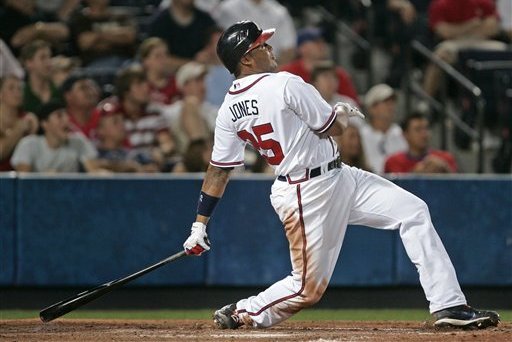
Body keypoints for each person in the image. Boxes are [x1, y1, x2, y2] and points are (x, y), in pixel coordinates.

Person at [181, 20, 500, 331]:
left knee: (413, 212)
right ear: (246, 58)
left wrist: (200, 224)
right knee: (307, 289)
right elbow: (332, 128)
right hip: (307, 191)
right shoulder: (285, 83)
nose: (270, 47)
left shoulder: (227, 108)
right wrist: (341, 113)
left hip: (338, 177)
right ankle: (243, 310)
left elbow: (219, 170)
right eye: (261, 44)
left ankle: (448, 304)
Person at [423, 0, 507, 98]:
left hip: (481, 41)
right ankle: (425, 101)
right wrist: (470, 25)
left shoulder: (483, 2)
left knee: (505, 50)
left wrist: (459, 30)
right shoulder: (441, 4)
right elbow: (444, 32)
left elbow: (493, 28)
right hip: (454, 43)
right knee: (441, 54)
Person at [10, 100, 102, 172]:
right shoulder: (29, 144)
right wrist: (46, 179)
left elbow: (94, 171)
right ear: (44, 123)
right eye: (59, 116)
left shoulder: (78, 141)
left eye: (67, 115)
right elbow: (23, 181)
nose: (66, 120)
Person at [280, 27, 359, 106]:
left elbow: (352, 104)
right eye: (316, 42)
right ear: (302, 48)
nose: (322, 45)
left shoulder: (337, 73)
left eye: (323, 41)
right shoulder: (287, 72)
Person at [212, 0, 297, 65]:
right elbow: (219, 44)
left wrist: (273, 74)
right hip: (236, 69)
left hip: (271, 69)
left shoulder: (279, 12)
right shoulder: (228, 9)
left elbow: (288, 49)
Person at [159, 61, 216, 154]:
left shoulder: (213, 110)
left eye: (203, 80)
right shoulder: (171, 110)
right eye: (197, 80)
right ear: (184, 86)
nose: (203, 85)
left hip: (217, 152)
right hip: (186, 154)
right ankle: (201, 155)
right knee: (190, 104)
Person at [148, 0, 216, 72]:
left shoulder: (206, 21)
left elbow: (216, 54)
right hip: (169, 80)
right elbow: (158, 62)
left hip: (202, 78)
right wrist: (194, 63)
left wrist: (209, 56)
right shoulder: (159, 24)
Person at [68, 0, 138, 69]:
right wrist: (116, 35)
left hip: (127, 60)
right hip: (96, 62)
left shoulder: (122, 15)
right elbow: (85, 43)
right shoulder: (81, 19)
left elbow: (129, 37)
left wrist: (98, 37)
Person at [384, 112, 457, 173]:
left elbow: (459, 186)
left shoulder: (446, 158)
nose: (424, 134)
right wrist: (414, 174)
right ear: (405, 135)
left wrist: (444, 168)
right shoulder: (393, 162)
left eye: (426, 128)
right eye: (418, 129)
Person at [359, 83, 408, 174]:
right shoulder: (361, 135)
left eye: (392, 102)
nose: (391, 106)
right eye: (386, 103)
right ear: (372, 108)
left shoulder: (401, 133)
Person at [0, 75, 39, 171]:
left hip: (22, 177)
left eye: (20, 88)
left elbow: (33, 155)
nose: (17, 92)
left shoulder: (29, 119)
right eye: (11, 88)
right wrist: (18, 130)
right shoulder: (23, 123)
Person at [20, 40, 62, 113]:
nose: (49, 63)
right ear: (29, 63)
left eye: (50, 57)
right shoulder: (22, 95)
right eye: (43, 58)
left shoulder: (59, 90)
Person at [138, 37, 180, 107]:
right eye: (158, 56)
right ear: (145, 61)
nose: (164, 60)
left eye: (165, 55)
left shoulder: (176, 83)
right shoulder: (138, 84)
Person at [61, 74, 102, 141]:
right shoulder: (61, 122)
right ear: (68, 96)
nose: (90, 92)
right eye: (83, 88)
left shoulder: (104, 117)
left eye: (92, 87)